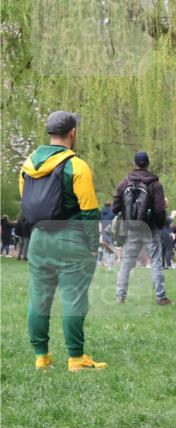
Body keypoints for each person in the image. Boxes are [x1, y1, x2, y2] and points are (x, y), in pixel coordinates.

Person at [19, 110, 106, 371]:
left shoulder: (28, 165)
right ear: (73, 133)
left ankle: (41, 357)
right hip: (71, 239)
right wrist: (93, 245)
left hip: (39, 239)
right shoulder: (77, 166)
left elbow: (28, 204)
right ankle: (76, 358)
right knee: (73, 298)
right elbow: (90, 211)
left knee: (38, 298)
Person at [113, 151, 170, 305]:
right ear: (148, 164)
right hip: (150, 228)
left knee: (126, 262)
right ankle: (161, 296)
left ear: (135, 164)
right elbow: (160, 209)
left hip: (131, 228)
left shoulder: (124, 182)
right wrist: (159, 224)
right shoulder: (155, 184)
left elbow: (114, 207)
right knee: (156, 261)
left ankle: (120, 296)